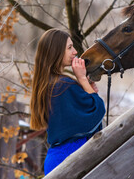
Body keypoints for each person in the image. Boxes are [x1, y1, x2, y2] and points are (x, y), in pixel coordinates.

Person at [30, 28, 105, 175]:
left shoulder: (48, 84)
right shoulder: (62, 85)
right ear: (56, 51)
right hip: (71, 159)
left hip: (57, 159)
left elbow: (80, 113)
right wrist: (82, 79)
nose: (75, 51)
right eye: (69, 47)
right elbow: (98, 110)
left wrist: (88, 92)